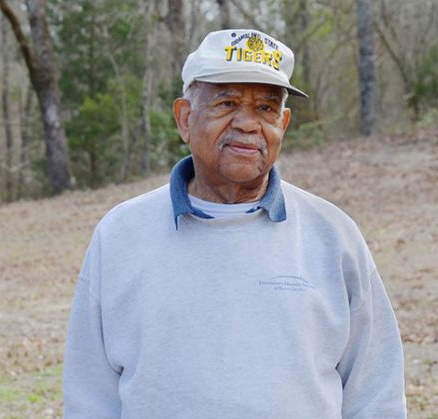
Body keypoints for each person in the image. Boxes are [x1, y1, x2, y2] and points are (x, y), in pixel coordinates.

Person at [62, 29, 406, 419]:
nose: (247, 124)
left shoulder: (333, 235)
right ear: (185, 118)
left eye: (266, 109)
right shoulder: (121, 234)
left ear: (284, 123)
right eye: (227, 103)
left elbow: (376, 394)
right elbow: (89, 395)